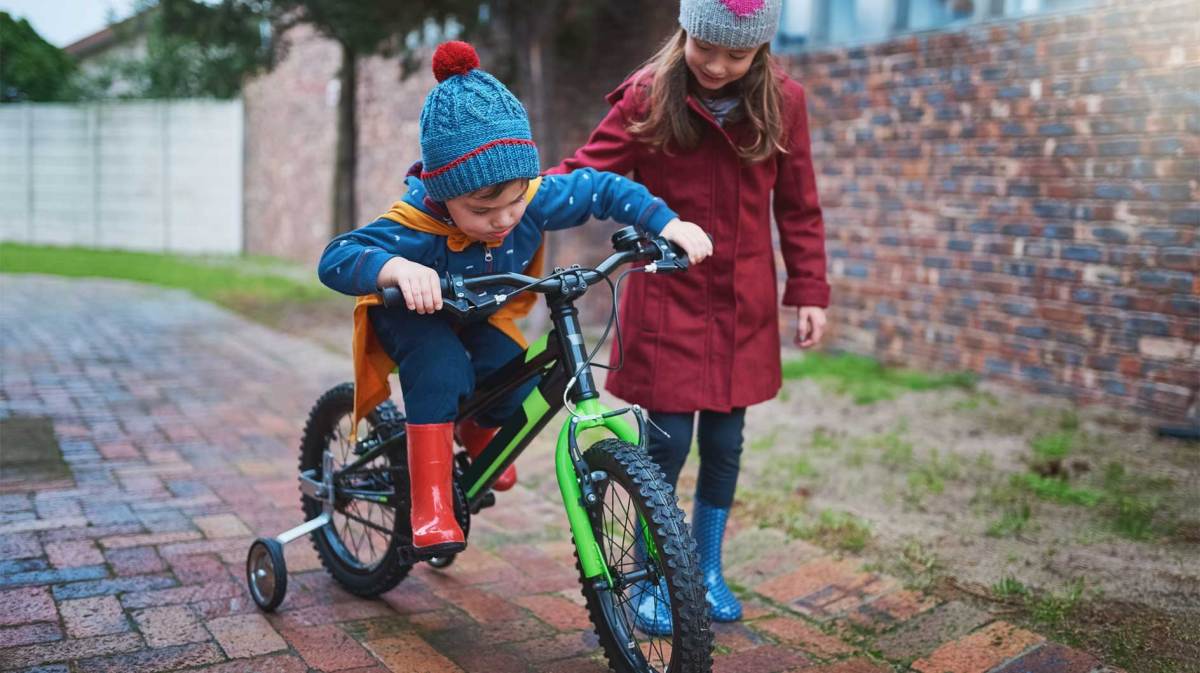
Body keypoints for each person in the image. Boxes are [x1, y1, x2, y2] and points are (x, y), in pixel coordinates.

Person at [317, 41, 712, 558]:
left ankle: (478, 439)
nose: (504, 220)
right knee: (440, 369)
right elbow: (337, 257)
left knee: (512, 370)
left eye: (515, 201)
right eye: (483, 211)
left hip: (478, 314)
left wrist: (667, 222)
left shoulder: (528, 198)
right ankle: (430, 500)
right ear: (444, 195)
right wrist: (395, 268)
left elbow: (602, 188)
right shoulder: (415, 225)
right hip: (415, 318)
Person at [549, 0, 830, 629]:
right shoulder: (649, 97)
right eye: (707, 47)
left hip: (741, 302)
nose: (719, 65)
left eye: (737, 54)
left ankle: (704, 568)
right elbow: (585, 172)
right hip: (668, 299)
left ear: (760, 49)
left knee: (726, 444)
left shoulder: (784, 103)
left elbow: (800, 207)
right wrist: (512, 201)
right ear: (686, 30)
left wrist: (809, 289)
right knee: (668, 444)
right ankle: (653, 575)